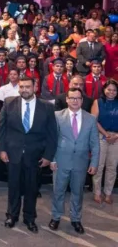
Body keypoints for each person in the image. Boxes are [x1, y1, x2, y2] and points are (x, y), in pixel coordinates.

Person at [0, 76, 57, 233]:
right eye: (22, 87)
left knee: (32, 188)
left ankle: (29, 218)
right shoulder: (9, 103)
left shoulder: (47, 107)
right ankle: (12, 215)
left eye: (27, 87)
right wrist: (2, 149)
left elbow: (52, 134)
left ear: (35, 87)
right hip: (13, 153)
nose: (24, 89)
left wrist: (48, 156)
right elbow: (2, 129)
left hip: (35, 155)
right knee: (13, 187)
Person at [49, 87, 99, 235]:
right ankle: (56, 217)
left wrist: (94, 163)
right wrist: (52, 159)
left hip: (81, 163)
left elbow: (95, 143)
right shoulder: (57, 116)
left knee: (77, 192)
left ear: (82, 100)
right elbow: (52, 140)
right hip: (60, 161)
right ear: (67, 99)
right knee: (58, 191)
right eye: (72, 98)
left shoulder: (90, 118)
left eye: (78, 98)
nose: (75, 101)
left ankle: (76, 219)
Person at [90, 79, 118, 205]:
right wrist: (106, 134)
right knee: (99, 166)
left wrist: (116, 135)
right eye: (109, 89)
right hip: (101, 136)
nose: (111, 92)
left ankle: (108, 192)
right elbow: (93, 121)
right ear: (104, 90)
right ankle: (97, 192)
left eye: (114, 90)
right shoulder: (98, 102)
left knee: (112, 167)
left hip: (116, 138)